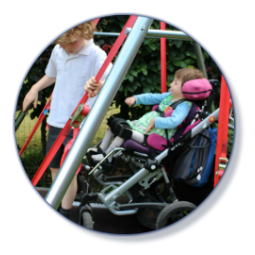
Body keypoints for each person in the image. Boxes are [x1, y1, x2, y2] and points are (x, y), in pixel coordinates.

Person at [22, 21, 112, 218]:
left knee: (68, 172)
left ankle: (65, 213)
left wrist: (99, 85)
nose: (65, 48)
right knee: (54, 168)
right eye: (62, 44)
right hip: (56, 119)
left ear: (84, 33)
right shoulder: (59, 49)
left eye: (70, 44)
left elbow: (110, 81)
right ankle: (56, 208)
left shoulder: (96, 55)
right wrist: (34, 88)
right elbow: (51, 75)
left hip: (78, 124)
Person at [85, 68, 204, 162]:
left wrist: (156, 121)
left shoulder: (184, 105)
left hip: (154, 136)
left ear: (186, 88)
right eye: (173, 81)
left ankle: (107, 157)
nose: (171, 84)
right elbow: (152, 97)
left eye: (176, 83)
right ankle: (100, 150)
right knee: (114, 125)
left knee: (124, 131)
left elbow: (175, 121)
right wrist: (136, 99)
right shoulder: (170, 96)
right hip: (144, 129)